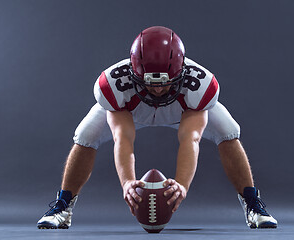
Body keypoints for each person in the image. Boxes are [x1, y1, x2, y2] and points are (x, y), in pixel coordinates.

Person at [37, 26, 277, 229]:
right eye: (150, 83)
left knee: (228, 130)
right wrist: (128, 183)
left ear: (182, 71)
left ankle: (252, 204)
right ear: (133, 72)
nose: (158, 90)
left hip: (183, 108)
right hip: (132, 108)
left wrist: (182, 184)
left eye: (165, 83)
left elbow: (191, 137)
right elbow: (123, 137)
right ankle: (63, 206)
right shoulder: (114, 84)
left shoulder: (199, 85)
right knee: (86, 134)